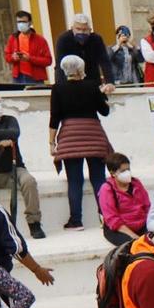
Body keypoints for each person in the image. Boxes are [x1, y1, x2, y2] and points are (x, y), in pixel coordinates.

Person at [49, 54, 114, 228]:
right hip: (93, 134)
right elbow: (104, 111)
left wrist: (52, 143)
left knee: (75, 180)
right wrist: (102, 96)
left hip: (70, 137)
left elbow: (54, 118)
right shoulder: (92, 85)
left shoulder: (58, 88)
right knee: (98, 178)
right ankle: (105, 217)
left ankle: (76, 220)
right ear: (80, 69)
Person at [0, 91, 44, 239]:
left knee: (29, 181)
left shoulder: (9, 120)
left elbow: (13, 133)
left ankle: (34, 223)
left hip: (14, 168)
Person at [99, 152, 152, 247]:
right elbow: (112, 219)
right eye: (123, 171)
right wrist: (133, 236)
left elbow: (147, 206)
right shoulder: (107, 189)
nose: (127, 173)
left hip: (141, 224)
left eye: (128, 169)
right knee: (135, 246)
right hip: (119, 229)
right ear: (113, 173)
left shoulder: (136, 183)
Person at [54, 13, 111, 86]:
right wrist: (60, 85)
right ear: (72, 29)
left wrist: (109, 82)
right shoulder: (63, 39)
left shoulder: (96, 39)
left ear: (90, 30)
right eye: (78, 29)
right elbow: (59, 64)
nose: (81, 32)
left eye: (84, 30)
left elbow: (104, 61)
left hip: (92, 80)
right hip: (71, 82)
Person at [3, 9, 51, 85]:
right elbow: (7, 56)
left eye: (24, 22)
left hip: (35, 77)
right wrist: (13, 57)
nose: (21, 24)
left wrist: (29, 58)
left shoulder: (40, 40)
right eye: (19, 22)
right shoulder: (13, 38)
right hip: (18, 77)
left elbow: (48, 61)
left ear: (30, 23)